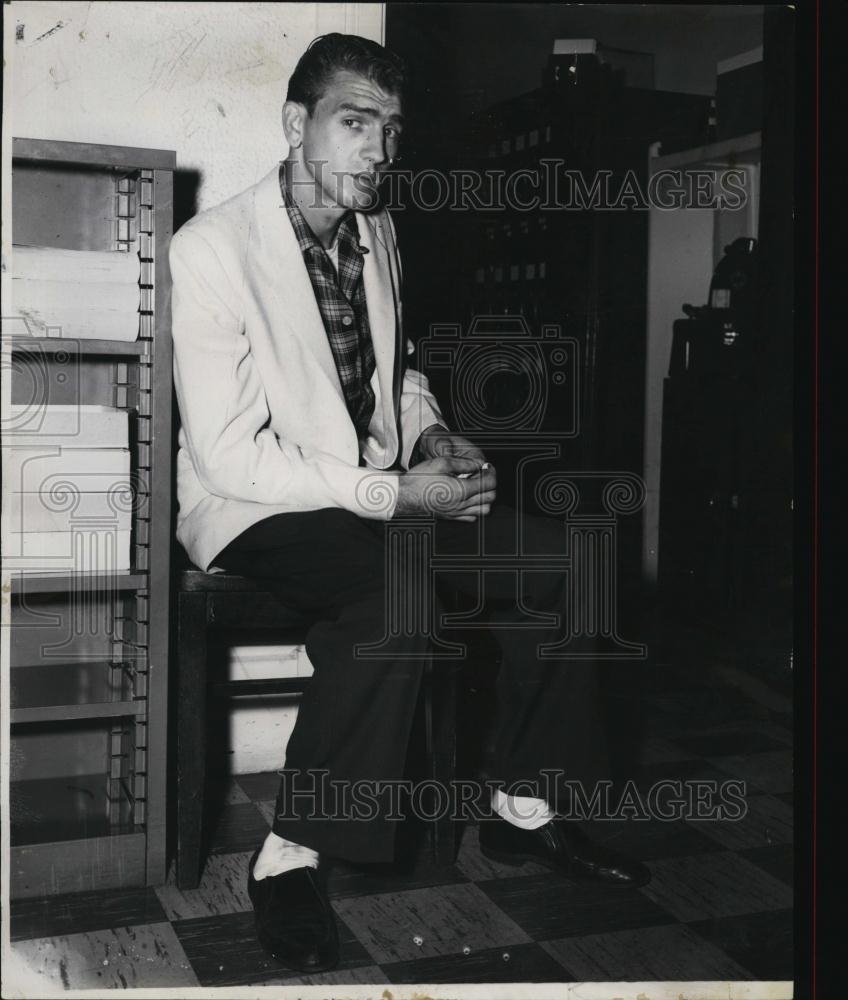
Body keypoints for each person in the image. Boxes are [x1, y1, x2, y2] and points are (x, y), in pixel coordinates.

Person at [170, 32, 649, 974]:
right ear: (297, 125)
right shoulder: (212, 247)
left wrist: (431, 436)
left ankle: (524, 807)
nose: (377, 154)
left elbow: (400, 371)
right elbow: (229, 456)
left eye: (390, 131)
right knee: (395, 599)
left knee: (569, 563)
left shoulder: (377, 231)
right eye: (356, 125)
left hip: (373, 488)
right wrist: (394, 492)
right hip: (255, 505)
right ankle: (291, 853)